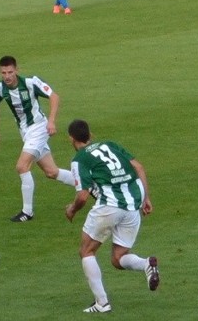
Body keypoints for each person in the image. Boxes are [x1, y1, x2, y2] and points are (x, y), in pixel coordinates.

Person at [65, 119, 159, 314]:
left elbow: (82, 196)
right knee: (118, 258)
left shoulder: (79, 159)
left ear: (71, 139)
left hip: (109, 206)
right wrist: (146, 198)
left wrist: (72, 210)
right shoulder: (111, 145)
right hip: (133, 204)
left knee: (86, 251)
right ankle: (145, 264)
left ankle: (102, 303)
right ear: (90, 135)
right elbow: (139, 168)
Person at [0, 55, 75, 222]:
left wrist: (51, 121)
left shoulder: (30, 82)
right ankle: (90, 184)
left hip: (39, 128)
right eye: (4, 72)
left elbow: (54, 97)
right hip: (26, 132)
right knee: (51, 172)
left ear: (17, 70)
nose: (7, 76)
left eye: (10, 72)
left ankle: (27, 212)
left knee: (22, 166)